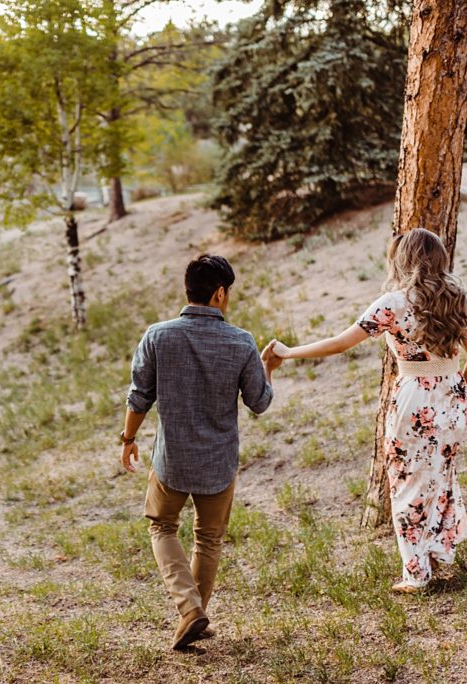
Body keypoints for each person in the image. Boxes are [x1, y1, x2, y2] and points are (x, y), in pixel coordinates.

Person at [270, 228, 467, 593]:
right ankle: (433, 554)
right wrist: (459, 386)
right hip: (453, 396)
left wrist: (288, 352)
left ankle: (416, 573)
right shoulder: (459, 297)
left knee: (406, 480)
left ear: (403, 259)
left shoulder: (394, 302)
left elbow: (341, 343)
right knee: (439, 475)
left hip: (414, 398)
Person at [120, 254, 282, 651]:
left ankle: (190, 610)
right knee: (208, 538)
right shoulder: (241, 342)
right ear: (220, 293)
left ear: (188, 289)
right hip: (218, 460)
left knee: (161, 526)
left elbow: (140, 397)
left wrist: (127, 440)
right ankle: (194, 613)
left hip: (172, 457)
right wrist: (268, 367)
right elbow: (259, 402)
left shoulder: (158, 336)